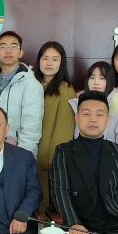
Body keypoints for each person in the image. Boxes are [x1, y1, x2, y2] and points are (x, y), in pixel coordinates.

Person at [49, 91, 118, 234]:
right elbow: (60, 191)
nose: (93, 119)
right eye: (86, 114)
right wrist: (73, 223)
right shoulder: (63, 152)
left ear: (107, 120)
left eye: (99, 114)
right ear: (77, 118)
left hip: (117, 228)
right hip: (80, 229)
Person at [72, 62, 118, 170]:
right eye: (92, 78)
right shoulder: (80, 107)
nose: (96, 82)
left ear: (110, 81)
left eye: (102, 78)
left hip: (112, 176)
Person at [34, 40, 76, 213]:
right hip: (28, 153)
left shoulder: (66, 89)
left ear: (62, 63)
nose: (49, 63)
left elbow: (64, 129)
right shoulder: (32, 85)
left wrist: (53, 157)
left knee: (44, 207)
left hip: (46, 159)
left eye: (55, 59)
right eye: (45, 58)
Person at [0, 30, 44, 156]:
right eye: (3, 46)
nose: (8, 51)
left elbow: (32, 128)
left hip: (18, 154)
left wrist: (23, 157)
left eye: (14, 46)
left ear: (21, 52)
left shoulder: (31, 85)